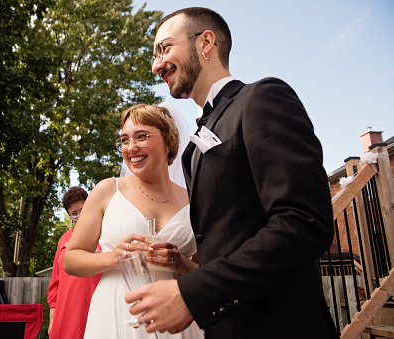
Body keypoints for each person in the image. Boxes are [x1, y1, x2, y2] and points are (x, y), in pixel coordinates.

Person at [125, 7, 339, 339]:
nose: (156, 66)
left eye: (164, 48)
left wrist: (193, 292)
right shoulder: (192, 149)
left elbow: (304, 221)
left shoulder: (261, 99)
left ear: (205, 42)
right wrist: (185, 269)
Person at [64, 104, 204, 339]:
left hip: (174, 317)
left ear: (168, 141)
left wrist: (180, 263)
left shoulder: (194, 200)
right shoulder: (107, 190)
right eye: (124, 140)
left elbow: (207, 272)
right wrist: (112, 258)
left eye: (142, 137)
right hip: (117, 314)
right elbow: (71, 259)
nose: (131, 147)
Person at [47, 186, 102, 339]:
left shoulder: (105, 236)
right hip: (66, 314)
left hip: (96, 310)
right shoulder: (63, 239)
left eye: (82, 210)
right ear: (70, 216)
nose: (79, 215)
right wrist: (52, 320)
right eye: (74, 213)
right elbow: (55, 283)